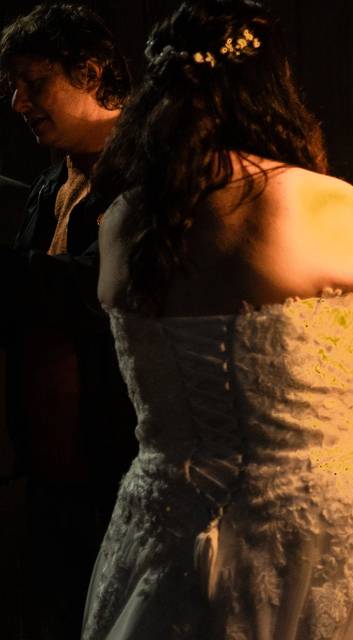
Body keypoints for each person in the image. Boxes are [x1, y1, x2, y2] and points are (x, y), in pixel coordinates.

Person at [80, 0, 353, 637]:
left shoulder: (124, 219)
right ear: (270, 91)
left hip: (165, 517)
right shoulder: (325, 204)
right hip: (310, 529)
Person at [0, 5, 137, 637]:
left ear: (92, 72)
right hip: (50, 458)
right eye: (13, 86)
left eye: (34, 83)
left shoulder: (146, 173)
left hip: (115, 456)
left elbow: (98, 291)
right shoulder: (54, 176)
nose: (17, 101)